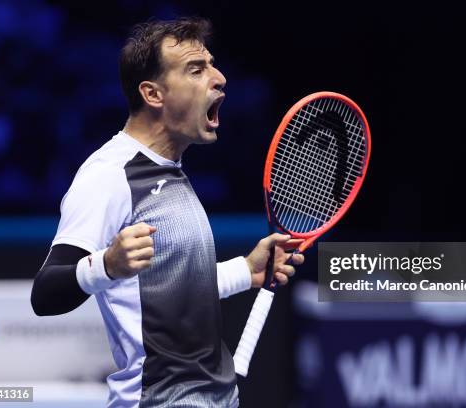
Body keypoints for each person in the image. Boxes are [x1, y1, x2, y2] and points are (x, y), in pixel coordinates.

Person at [30, 18, 304, 408]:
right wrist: (106, 265)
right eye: (196, 69)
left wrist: (246, 271)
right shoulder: (109, 175)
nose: (219, 77)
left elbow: (166, 287)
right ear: (153, 93)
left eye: (212, 64)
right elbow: (44, 294)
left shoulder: (170, 171)